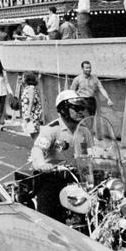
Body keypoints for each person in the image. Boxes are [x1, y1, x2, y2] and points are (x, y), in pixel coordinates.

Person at [27, 90, 89, 222]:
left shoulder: (84, 131)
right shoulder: (52, 129)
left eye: (82, 108)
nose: (81, 112)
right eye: (76, 108)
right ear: (64, 109)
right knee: (49, 218)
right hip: (52, 177)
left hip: (76, 177)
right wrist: (42, 164)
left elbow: (88, 152)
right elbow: (37, 149)